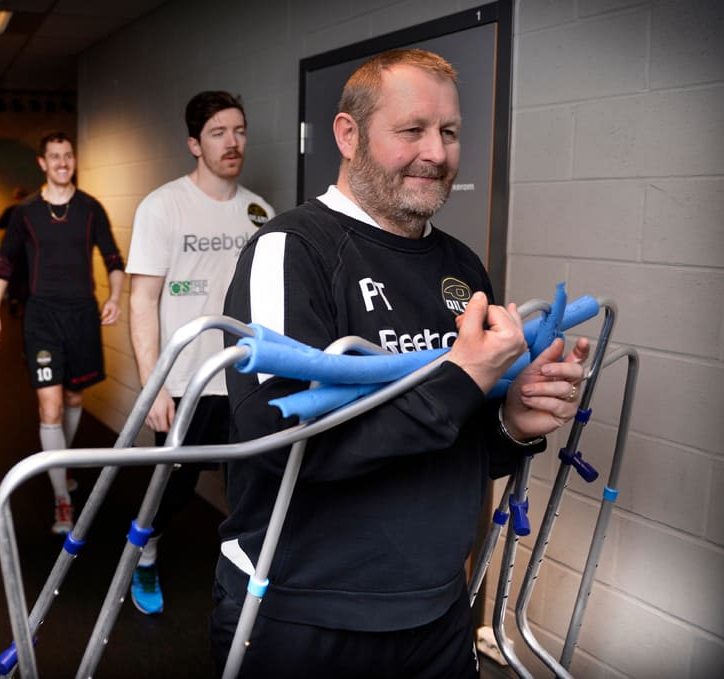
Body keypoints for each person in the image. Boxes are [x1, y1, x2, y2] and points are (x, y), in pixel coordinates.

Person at [212, 48, 591, 677]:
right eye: (412, 130)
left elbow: (457, 445)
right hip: (304, 611)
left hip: (434, 610)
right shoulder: (291, 248)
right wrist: (461, 379)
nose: (436, 153)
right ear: (349, 135)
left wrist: (511, 423)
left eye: (449, 132)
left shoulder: (461, 266)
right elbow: (276, 439)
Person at [125, 91, 274, 616]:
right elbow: (141, 300)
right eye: (218, 133)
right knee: (171, 488)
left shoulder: (260, 212)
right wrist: (154, 384)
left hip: (244, 379)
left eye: (239, 131)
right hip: (186, 380)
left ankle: (246, 586)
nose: (232, 143)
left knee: (252, 487)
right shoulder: (162, 206)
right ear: (194, 144)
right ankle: (145, 554)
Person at [0, 131, 125, 536]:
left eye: (68, 155)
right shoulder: (25, 212)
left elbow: (113, 258)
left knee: (73, 397)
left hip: (81, 315)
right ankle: (62, 497)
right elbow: (4, 262)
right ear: (42, 163)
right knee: (50, 407)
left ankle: (59, 460)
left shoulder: (90, 208)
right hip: (41, 316)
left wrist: (115, 296)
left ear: (73, 160)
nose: (62, 162)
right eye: (55, 156)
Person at [0, 187, 30, 318]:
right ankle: (24, 302)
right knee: (26, 276)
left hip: (14, 248)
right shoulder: (32, 210)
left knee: (14, 276)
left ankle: (14, 301)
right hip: (27, 248)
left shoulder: (11, 210)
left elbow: (0, 224)